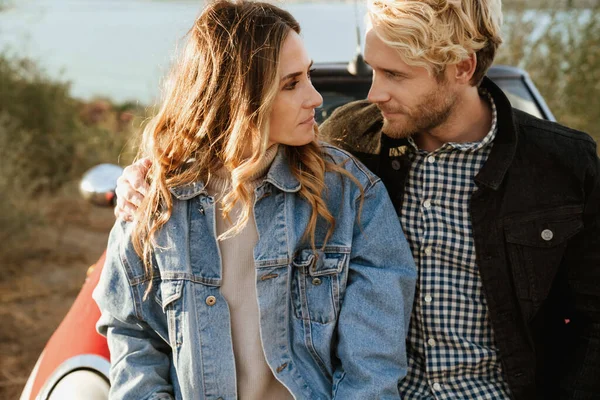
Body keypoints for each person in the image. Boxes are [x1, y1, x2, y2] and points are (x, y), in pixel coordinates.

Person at [115, 0, 600, 399]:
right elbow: (239, 152)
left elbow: (592, 322)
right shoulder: (350, 142)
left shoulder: (562, 165)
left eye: (394, 75)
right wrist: (142, 177)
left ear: (462, 68)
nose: (373, 93)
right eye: (373, 70)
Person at [93, 1, 417, 399]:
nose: (315, 98)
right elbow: (133, 334)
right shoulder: (154, 201)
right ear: (239, 96)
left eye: (308, 76)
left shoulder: (349, 194)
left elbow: (372, 367)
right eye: (291, 83)